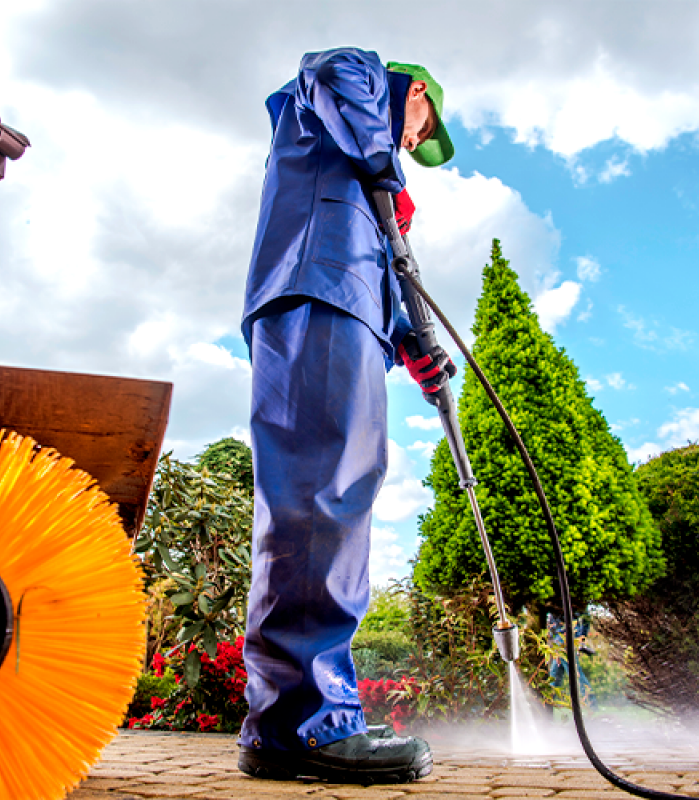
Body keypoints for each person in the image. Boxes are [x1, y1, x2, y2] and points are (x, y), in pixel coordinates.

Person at [238, 47, 456, 784]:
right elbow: (328, 72)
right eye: (418, 129)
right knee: (321, 497)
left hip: (349, 309)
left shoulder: (367, 181)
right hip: (317, 293)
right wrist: (384, 170)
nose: (410, 144)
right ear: (414, 93)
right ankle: (304, 722)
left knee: (341, 497)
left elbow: (388, 280)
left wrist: (415, 346)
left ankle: (296, 719)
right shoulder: (354, 79)